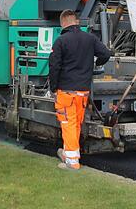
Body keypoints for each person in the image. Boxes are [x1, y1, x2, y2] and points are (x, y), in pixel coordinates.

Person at [48, 9, 111, 170]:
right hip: (83, 91)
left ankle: (72, 162)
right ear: (76, 21)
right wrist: (96, 64)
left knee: (67, 124)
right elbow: (105, 53)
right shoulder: (90, 38)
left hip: (66, 90)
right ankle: (72, 154)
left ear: (63, 23)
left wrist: (53, 88)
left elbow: (54, 66)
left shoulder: (61, 41)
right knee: (75, 124)